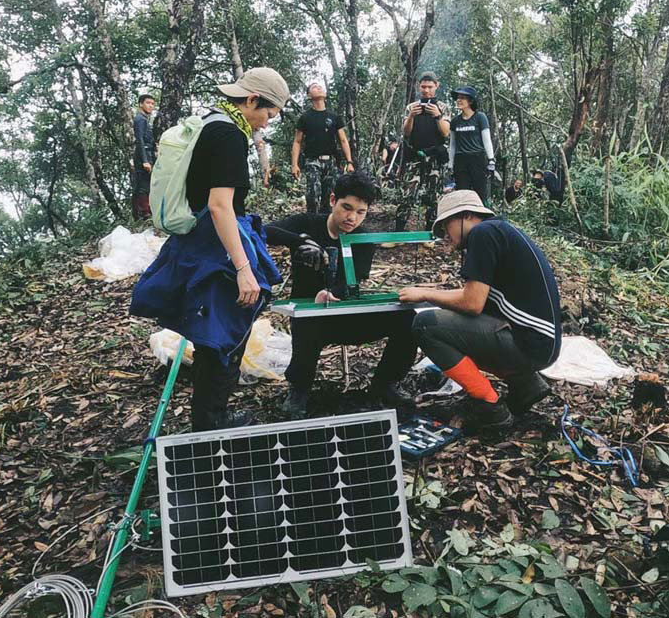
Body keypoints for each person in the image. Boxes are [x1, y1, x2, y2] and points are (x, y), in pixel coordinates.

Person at [130, 67, 290, 431]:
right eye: (268, 113)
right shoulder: (230, 135)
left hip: (199, 240)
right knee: (226, 333)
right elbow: (220, 206)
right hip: (216, 245)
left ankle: (209, 418)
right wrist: (243, 268)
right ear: (252, 100)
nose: (267, 122)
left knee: (212, 333)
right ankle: (212, 422)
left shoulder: (210, 123)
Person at [399, 190, 562, 432]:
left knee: (425, 325)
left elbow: (472, 303)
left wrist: (425, 294)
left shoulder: (483, 233)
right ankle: (526, 384)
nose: (446, 235)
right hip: (541, 343)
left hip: (529, 343)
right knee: (454, 324)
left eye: (446, 226)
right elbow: (477, 298)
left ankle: (489, 406)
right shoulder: (498, 231)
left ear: (466, 216)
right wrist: (433, 294)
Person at [265, 172, 418, 420]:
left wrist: (332, 292)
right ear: (332, 200)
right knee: (307, 323)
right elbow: (264, 231)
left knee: (408, 319)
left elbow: (354, 280)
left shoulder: (364, 239)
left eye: (361, 212)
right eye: (347, 208)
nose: (352, 218)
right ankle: (299, 390)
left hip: (348, 316)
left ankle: (386, 383)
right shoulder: (307, 223)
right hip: (310, 318)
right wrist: (299, 241)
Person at [291, 83, 354, 213]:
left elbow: (343, 140)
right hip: (312, 160)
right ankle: (311, 221)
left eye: (320, 86)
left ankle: (326, 223)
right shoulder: (305, 118)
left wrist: (349, 162)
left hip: (331, 161)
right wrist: (294, 165)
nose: (319, 88)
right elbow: (297, 141)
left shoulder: (334, 117)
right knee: (312, 196)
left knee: (330, 197)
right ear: (309, 96)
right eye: (314, 87)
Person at [448, 86, 495, 204]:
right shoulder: (455, 121)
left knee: (480, 193)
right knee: (462, 194)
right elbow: (452, 144)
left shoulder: (480, 117)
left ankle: (482, 214)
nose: (459, 100)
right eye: (458, 98)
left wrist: (491, 159)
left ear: (470, 101)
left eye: (462, 98)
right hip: (460, 160)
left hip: (477, 158)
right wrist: (450, 163)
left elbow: (487, 139)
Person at [403, 72, 450, 168]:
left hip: (436, 156)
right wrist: (411, 116)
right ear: (419, 86)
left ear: (436, 85)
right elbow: (406, 133)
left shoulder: (443, 107)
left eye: (430, 87)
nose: (426, 90)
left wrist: (438, 115)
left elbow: (445, 133)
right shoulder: (411, 107)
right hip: (415, 155)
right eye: (423, 87)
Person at [132, 93, 156, 220]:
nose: (150, 106)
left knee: (147, 183)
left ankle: (145, 212)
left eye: (152, 104)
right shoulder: (140, 119)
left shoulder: (145, 119)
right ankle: (144, 213)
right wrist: (145, 160)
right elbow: (140, 140)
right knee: (143, 185)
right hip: (143, 155)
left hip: (148, 153)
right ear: (141, 104)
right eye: (148, 103)